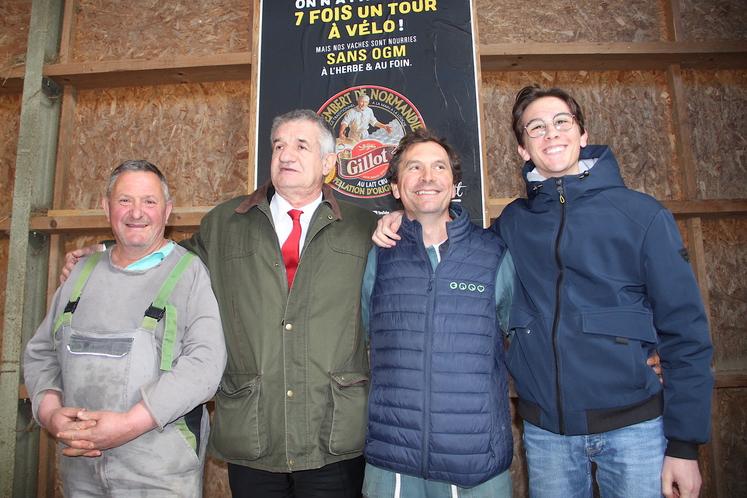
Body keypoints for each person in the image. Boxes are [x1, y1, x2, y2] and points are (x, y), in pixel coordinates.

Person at [373, 86, 714, 498]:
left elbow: (686, 332)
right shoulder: (512, 226)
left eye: (561, 123)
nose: (550, 134)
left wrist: (683, 445)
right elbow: (453, 247)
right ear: (522, 148)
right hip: (547, 434)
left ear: (583, 135)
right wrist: (401, 221)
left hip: (634, 430)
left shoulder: (642, 215)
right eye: (536, 127)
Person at [64, 110, 378, 497]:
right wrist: (112, 251)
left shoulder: (364, 229)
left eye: (301, 146)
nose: (286, 155)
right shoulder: (226, 223)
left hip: (334, 437)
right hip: (253, 434)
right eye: (278, 145)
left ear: (329, 163)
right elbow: (169, 262)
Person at [24, 160, 226, 497]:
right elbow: (41, 353)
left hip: (160, 475)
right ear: (106, 208)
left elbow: (205, 366)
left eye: (149, 201)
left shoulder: (189, 274)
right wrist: (52, 415)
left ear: (168, 211)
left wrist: (129, 425)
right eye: (124, 201)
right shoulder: (80, 273)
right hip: (81, 473)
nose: (137, 212)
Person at [360, 129, 514, 498]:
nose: (427, 178)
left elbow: (519, 338)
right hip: (393, 464)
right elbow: (367, 337)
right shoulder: (379, 255)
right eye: (414, 168)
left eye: (438, 167)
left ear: (453, 183)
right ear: (397, 188)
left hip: (475, 463)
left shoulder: (492, 254)